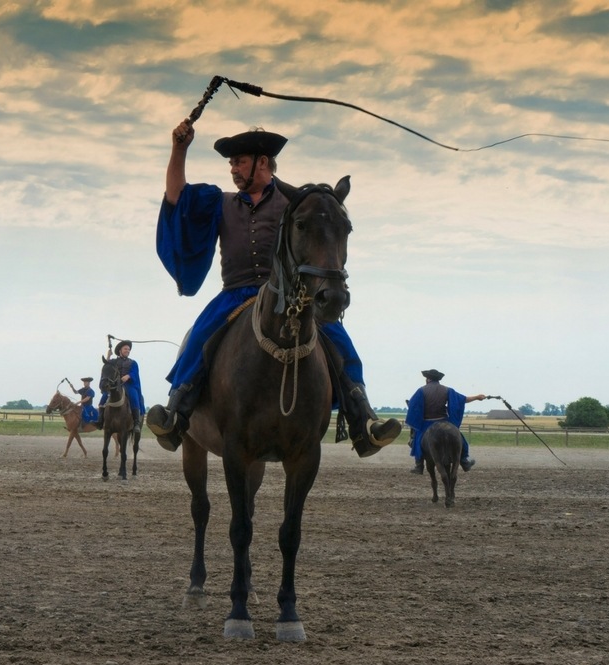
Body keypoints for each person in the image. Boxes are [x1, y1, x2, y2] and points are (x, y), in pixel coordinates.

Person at [145, 120, 401, 455]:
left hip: (289, 295)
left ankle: (363, 421)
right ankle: (176, 413)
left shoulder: (293, 204)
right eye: (232, 164)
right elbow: (176, 196)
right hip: (234, 294)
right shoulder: (218, 202)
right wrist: (179, 149)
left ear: (262, 162)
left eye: (239, 162)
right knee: (199, 339)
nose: (234, 169)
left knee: (340, 343)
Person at [405, 369, 486, 473]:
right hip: (444, 421)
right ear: (437, 379)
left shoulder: (421, 390)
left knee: (417, 438)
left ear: (428, 379)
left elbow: (413, 405)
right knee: (460, 437)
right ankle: (464, 461)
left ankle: (419, 465)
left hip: (427, 423)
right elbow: (462, 399)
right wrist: (477, 397)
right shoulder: (447, 390)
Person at [96, 340, 145, 435]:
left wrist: (128, 376)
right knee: (104, 397)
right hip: (115, 384)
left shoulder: (133, 363)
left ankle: (136, 423)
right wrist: (108, 356)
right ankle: (100, 421)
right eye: (125, 349)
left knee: (134, 397)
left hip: (129, 385)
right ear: (120, 350)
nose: (128, 350)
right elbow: (107, 367)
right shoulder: (114, 361)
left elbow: (135, 372)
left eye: (129, 349)